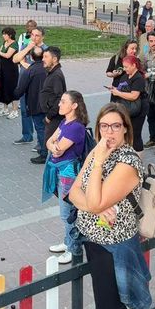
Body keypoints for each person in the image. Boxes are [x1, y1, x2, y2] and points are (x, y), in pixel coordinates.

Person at [68, 103, 150, 309]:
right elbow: (74, 193)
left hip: (114, 247)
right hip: (94, 241)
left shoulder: (128, 161)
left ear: (126, 129)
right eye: (104, 126)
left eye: (116, 126)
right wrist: (97, 205)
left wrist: (96, 203)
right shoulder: (99, 149)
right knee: (116, 303)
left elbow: (92, 201)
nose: (109, 132)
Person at [43, 91, 88, 264]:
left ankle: (73, 248)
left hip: (69, 174)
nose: (59, 105)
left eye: (63, 102)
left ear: (74, 105)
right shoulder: (64, 122)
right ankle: (68, 241)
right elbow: (49, 142)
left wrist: (54, 146)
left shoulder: (76, 126)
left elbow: (58, 148)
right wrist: (53, 145)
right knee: (65, 211)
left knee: (68, 213)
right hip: (60, 171)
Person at [15, 47, 49, 164]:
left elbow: (20, 89)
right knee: (49, 128)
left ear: (32, 57)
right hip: (49, 104)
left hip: (35, 104)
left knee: (40, 128)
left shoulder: (30, 70)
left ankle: (43, 153)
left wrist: (14, 94)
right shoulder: (48, 69)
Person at [109, 56, 147, 152]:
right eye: (124, 67)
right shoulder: (125, 76)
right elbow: (121, 87)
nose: (124, 69)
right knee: (127, 132)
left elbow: (134, 96)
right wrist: (115, 89)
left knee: (135, 134)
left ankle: (139, 159)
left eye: (126, 67)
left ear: (134, 65)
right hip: (127, 108)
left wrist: (118, 93)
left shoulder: (139, 78)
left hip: (138, 108)